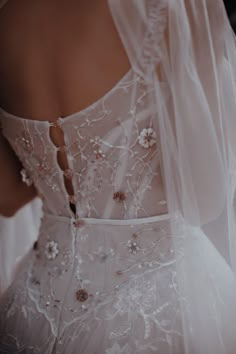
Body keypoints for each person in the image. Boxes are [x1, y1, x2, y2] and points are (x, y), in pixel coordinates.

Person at [1, 0, 236, 353]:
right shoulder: (161, 8)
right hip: (158, 312)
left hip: (33, 312)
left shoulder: (8, 15)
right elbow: (205, 200)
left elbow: (8, 198)